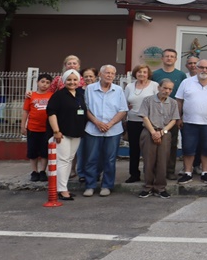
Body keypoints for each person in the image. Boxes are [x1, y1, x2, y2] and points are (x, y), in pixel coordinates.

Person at [83, 64, 128, 197]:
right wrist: (97, 122)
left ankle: (107, 185)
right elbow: (85, 108)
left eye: (112, 73)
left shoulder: (118, 90)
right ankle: (90, 185)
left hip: (113, 130)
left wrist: (110, 124)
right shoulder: (90, 89)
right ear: (100, 75)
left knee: (110, 159)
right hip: (93, 128)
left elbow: (123, 110)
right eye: (107, 73)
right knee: (91, 158)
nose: (109, 76)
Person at [175, 59, 207, 184]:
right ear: (196, 68)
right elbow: (179, 101)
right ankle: (188, 172)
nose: (204, 70)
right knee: (188, 148)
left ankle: (205, 172)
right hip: (189, 122)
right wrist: (178, 117)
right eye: (201, 67)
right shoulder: (186, 82)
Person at [46, 69, 87, 201]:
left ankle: (63, 187)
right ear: (64, 81)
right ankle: (61, 190)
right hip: (62, 134)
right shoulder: (59, 95)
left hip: (76, 133)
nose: (72, 82)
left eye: (75, 79)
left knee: (69, 160)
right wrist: (56, 131)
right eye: (69, 80)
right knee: (63, 161)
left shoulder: (80, 94)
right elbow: (51, 113)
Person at [137, 79, 180, 198]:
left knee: (162, 161)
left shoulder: (173, 103)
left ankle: (160, 187)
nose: (167, 91)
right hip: (149, 131)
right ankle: (148, 187)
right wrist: (153, 132)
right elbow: (144, 117)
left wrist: (162, 132)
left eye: (170, 89)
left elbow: (174, 120)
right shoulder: (148, 100)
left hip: (164, 132)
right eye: (165, 88)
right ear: (159, 87)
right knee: (149, 160)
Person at [151, 48, 187, 181]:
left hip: (173, 115)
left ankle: (170, 170)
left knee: (171, 143)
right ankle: (154, 170)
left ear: (176, 59)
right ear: (162, 58)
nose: (169, 58)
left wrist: (180, 116)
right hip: (156, 114)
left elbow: (182, 97)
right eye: (166, 56)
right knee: (155, 143)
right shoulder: (155, 74)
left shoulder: (181, 75)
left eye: (172, 56)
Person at [123, 64, 159, 183]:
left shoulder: (154, 86)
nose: (142, 74)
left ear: (148, 74)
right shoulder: (129, 86)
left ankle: (150, 174)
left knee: (149, 150)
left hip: (149, 122)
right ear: (135, 74)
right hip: (133, 121)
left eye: (144, 72)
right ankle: (134, 174)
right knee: (134, 149)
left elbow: (158, 102)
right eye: (139, 72)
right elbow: (124, 103)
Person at [21, 73, 53, 182]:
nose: (45, 84)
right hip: (32, 129)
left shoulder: (52, 96)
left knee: (45, 152)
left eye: (47, 82)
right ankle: (34, 172)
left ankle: (43, 171)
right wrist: (23, 126)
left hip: (47, 129)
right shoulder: (31, 96)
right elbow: (25, 112)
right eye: (42, 82)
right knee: (32, 151)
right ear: (37, 83)